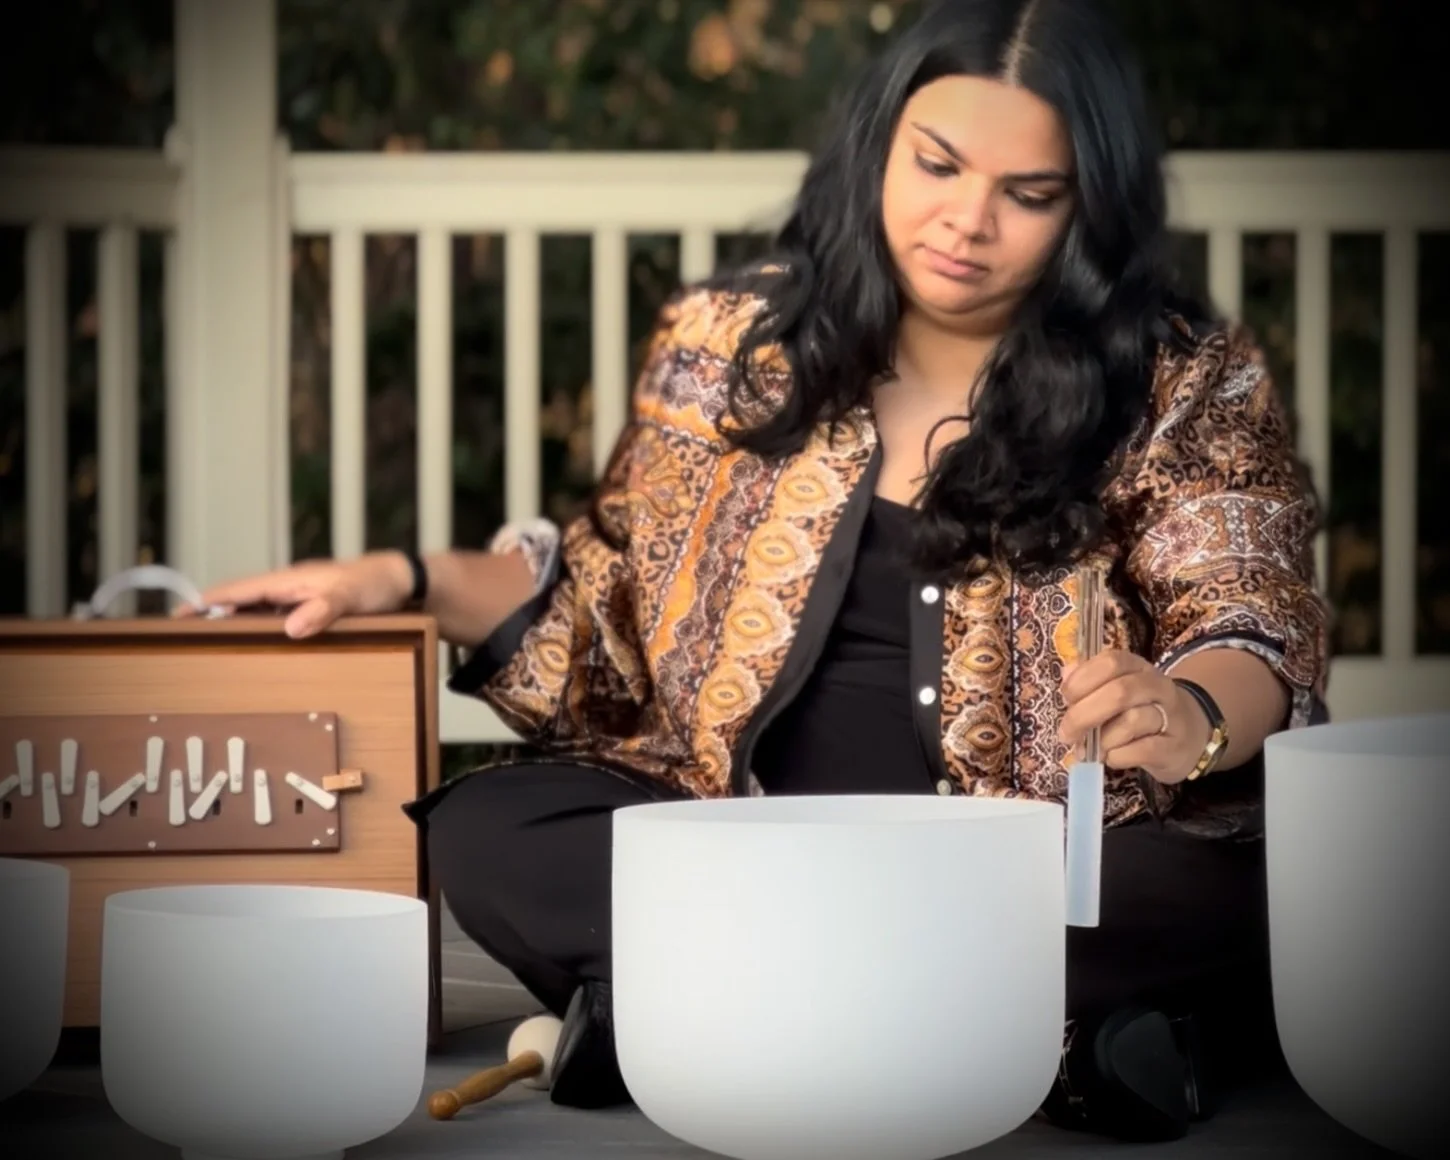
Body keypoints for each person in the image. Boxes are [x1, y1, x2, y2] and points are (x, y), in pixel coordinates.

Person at [188, 0, 1329, 1142]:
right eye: (935, 164)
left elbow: (1247, 613)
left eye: (1028, 194)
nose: (965, 221)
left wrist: (1190, 714)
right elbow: (608, 596)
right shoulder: (729, 343)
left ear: (1086, 208)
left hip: (1034, 857)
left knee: (1228, 885)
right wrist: (404, 577)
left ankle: (702, 1009)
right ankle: (1059, 1043)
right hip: (755, 835)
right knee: (490, 830)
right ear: (879, 142)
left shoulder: (1178, 377)